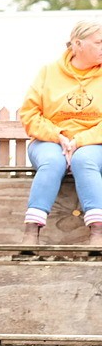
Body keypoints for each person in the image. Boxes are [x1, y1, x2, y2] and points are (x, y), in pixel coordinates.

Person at [18, 20, 102, 247]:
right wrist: (59, 136)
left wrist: (79, 141)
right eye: (99, 42)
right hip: (51, 140)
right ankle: (31, 231)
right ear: (78, 44)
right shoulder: (48, 72)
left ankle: (98, 233)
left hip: (94, 142)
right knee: (52, 161)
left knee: (84, 160)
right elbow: (29, 114)